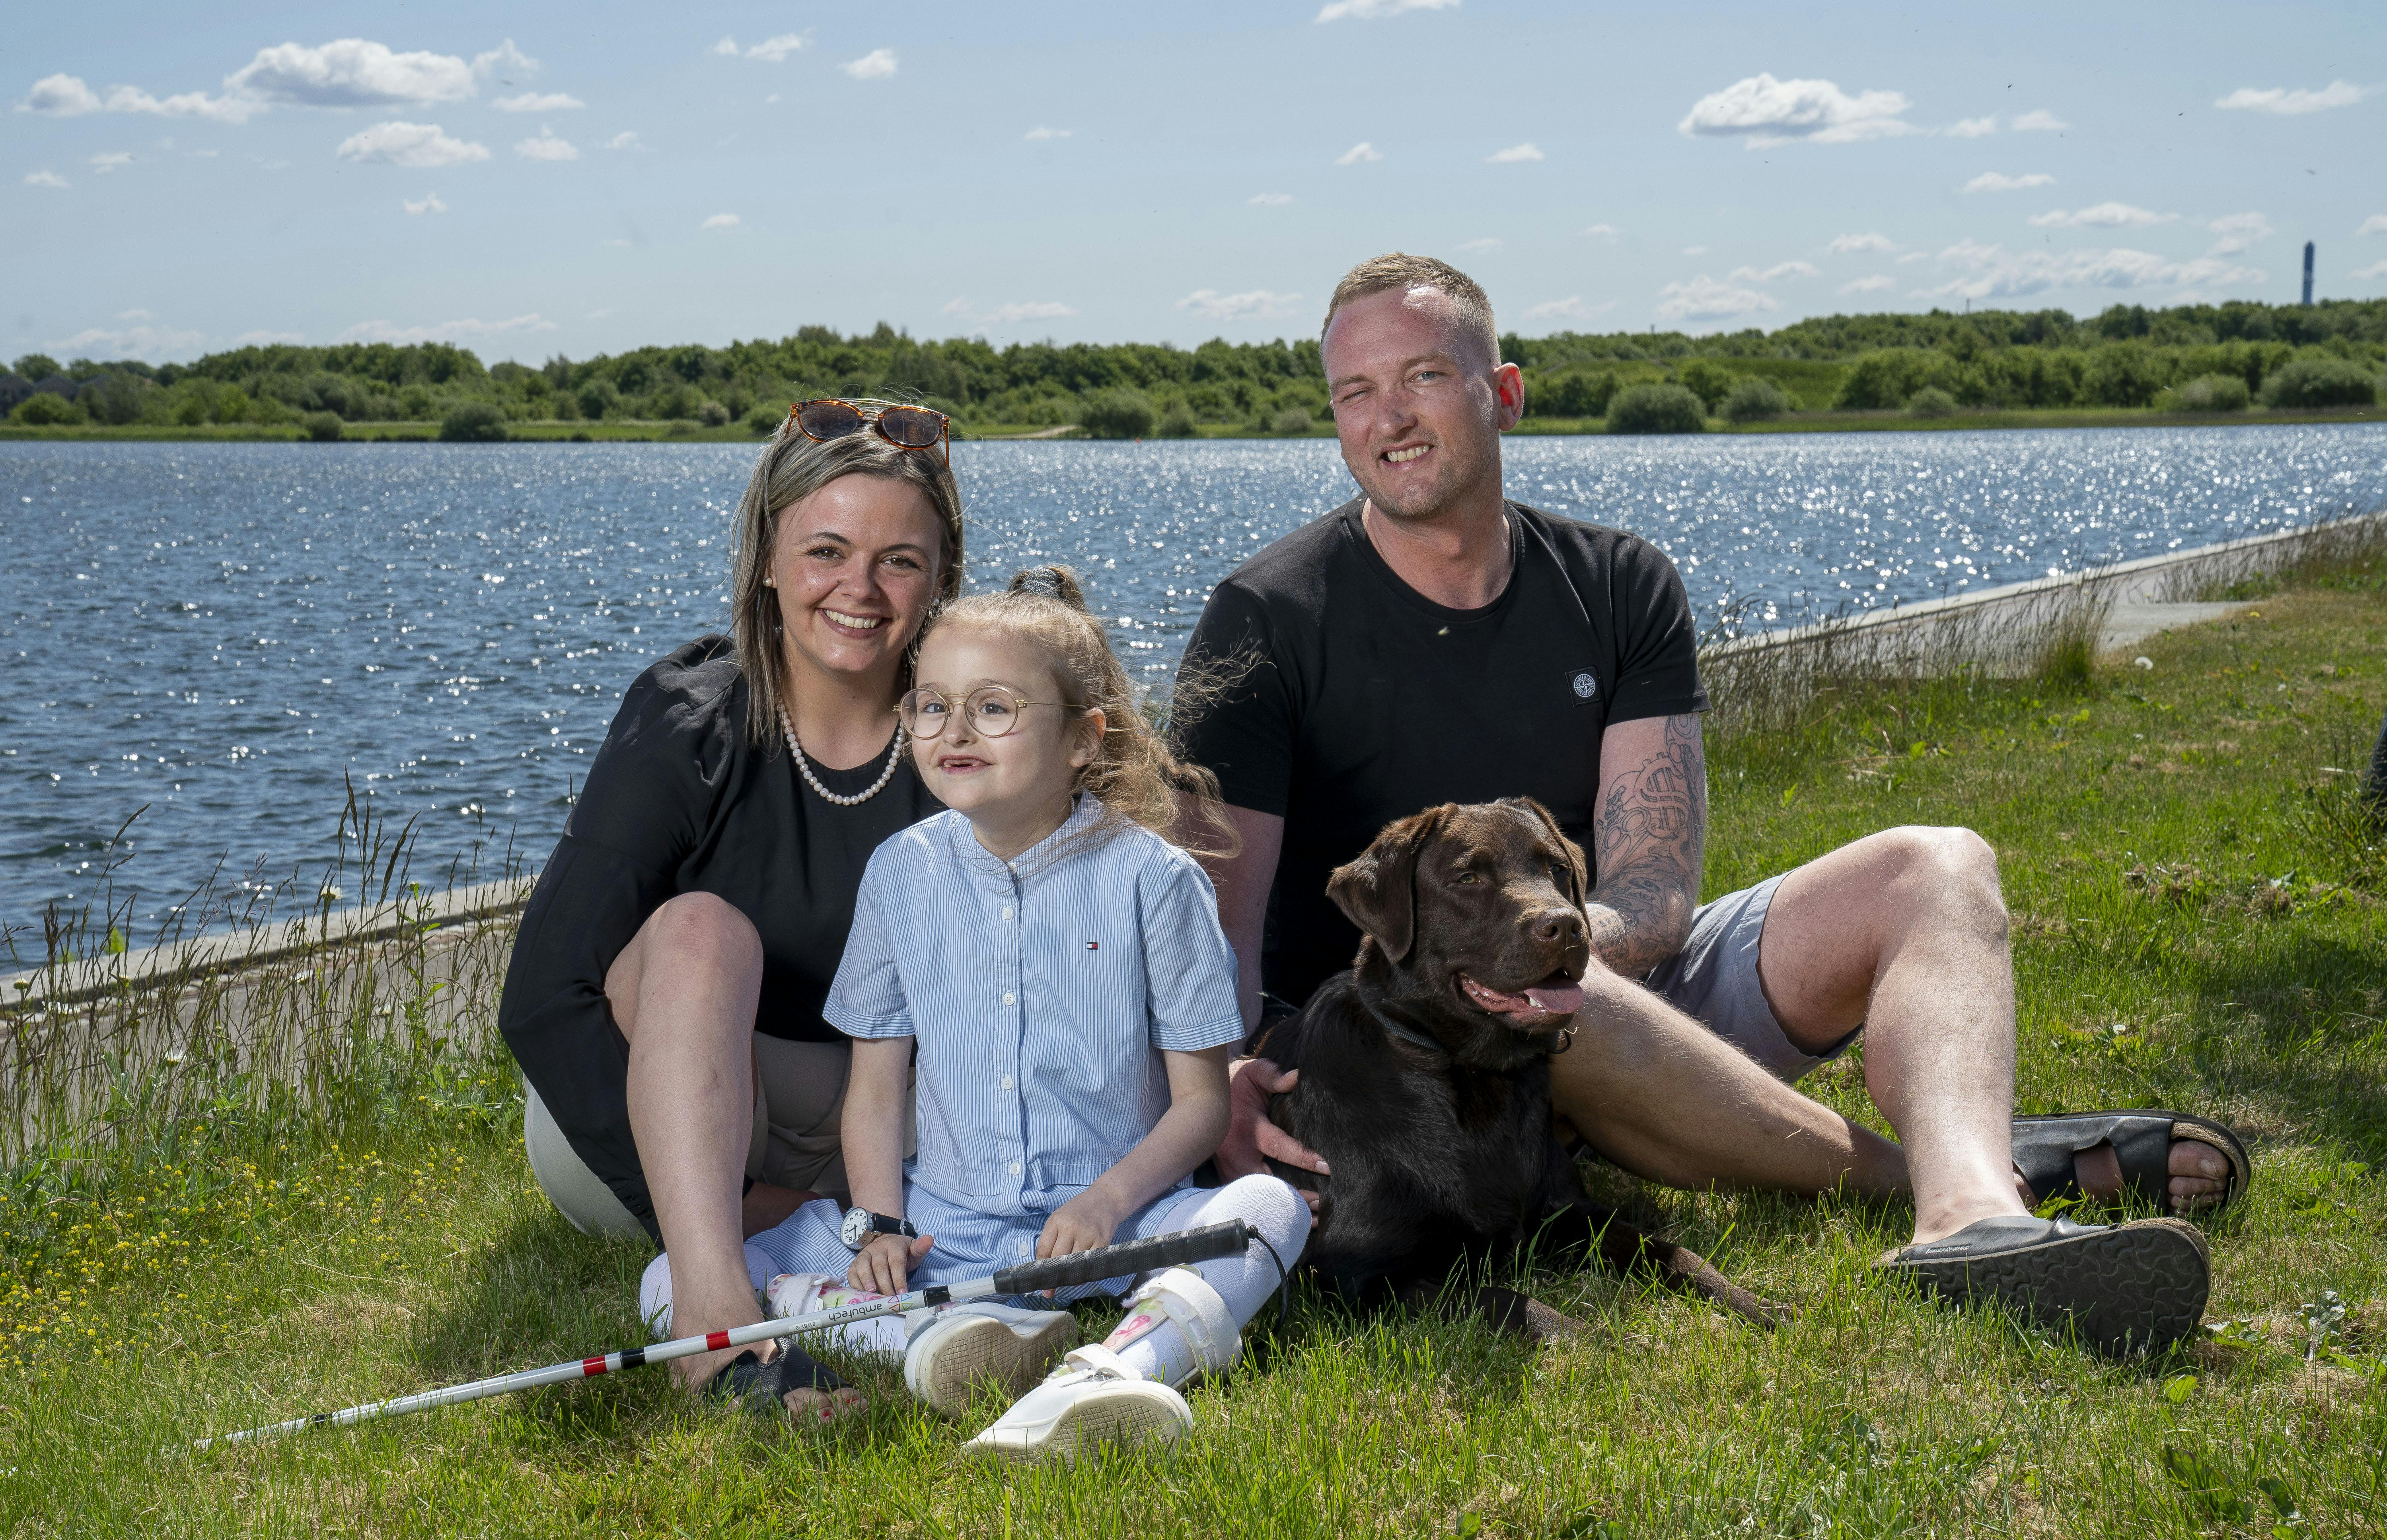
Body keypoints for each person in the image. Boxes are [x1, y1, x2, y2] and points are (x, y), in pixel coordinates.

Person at [1178, 254, 2245, 1354]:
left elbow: (1650, 888)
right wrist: (1228, 1087)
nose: (1388, 418)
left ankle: (1971, 1217)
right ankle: (1960, 1169)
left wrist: (1549, 942)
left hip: (1600, 982)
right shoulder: (1267, 617)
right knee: (1540, 987)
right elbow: (1214, 925)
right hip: (1409, 1050)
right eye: (1355, 393)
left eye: (1423, 379)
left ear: (1503, 393)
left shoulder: (1617, 582)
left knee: (1938, 862)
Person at [669, 566, 1308, 1459]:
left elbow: (1202, 1101)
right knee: (678, 1275)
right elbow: (878, 1082)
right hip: (949, 1226)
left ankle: (1116, 1367)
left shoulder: (1156, 882)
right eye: (930, 705)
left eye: (995, 708)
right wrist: (881, 1223)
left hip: (1117, 1225)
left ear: (1084, 738)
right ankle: (938, 1341)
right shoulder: (901, 873)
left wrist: (1107, 1198)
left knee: (1269, 1212)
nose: (953, 731)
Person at [497, 399, 965, 1417]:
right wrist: (710, 1201)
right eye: (827, 550)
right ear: (766, 557)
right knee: (702, 928)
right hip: (660, 1117)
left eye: (899, 560)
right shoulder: (689, 720)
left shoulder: (967, 732)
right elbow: (542, 996)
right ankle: (715, 1330)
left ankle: (824, 1253)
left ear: (941, 579)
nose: (859, 589)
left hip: (875, 1132)